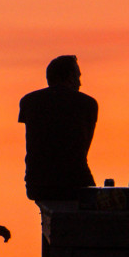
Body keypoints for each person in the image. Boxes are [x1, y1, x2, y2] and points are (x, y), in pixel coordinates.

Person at [18, 54, 98, 201]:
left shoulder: (28, 102)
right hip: (75, 182)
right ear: (70, 77)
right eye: (78, 77)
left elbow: (33, 141)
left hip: (37, 184)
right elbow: (83, 148)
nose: (80, 83)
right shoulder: (88, 104)